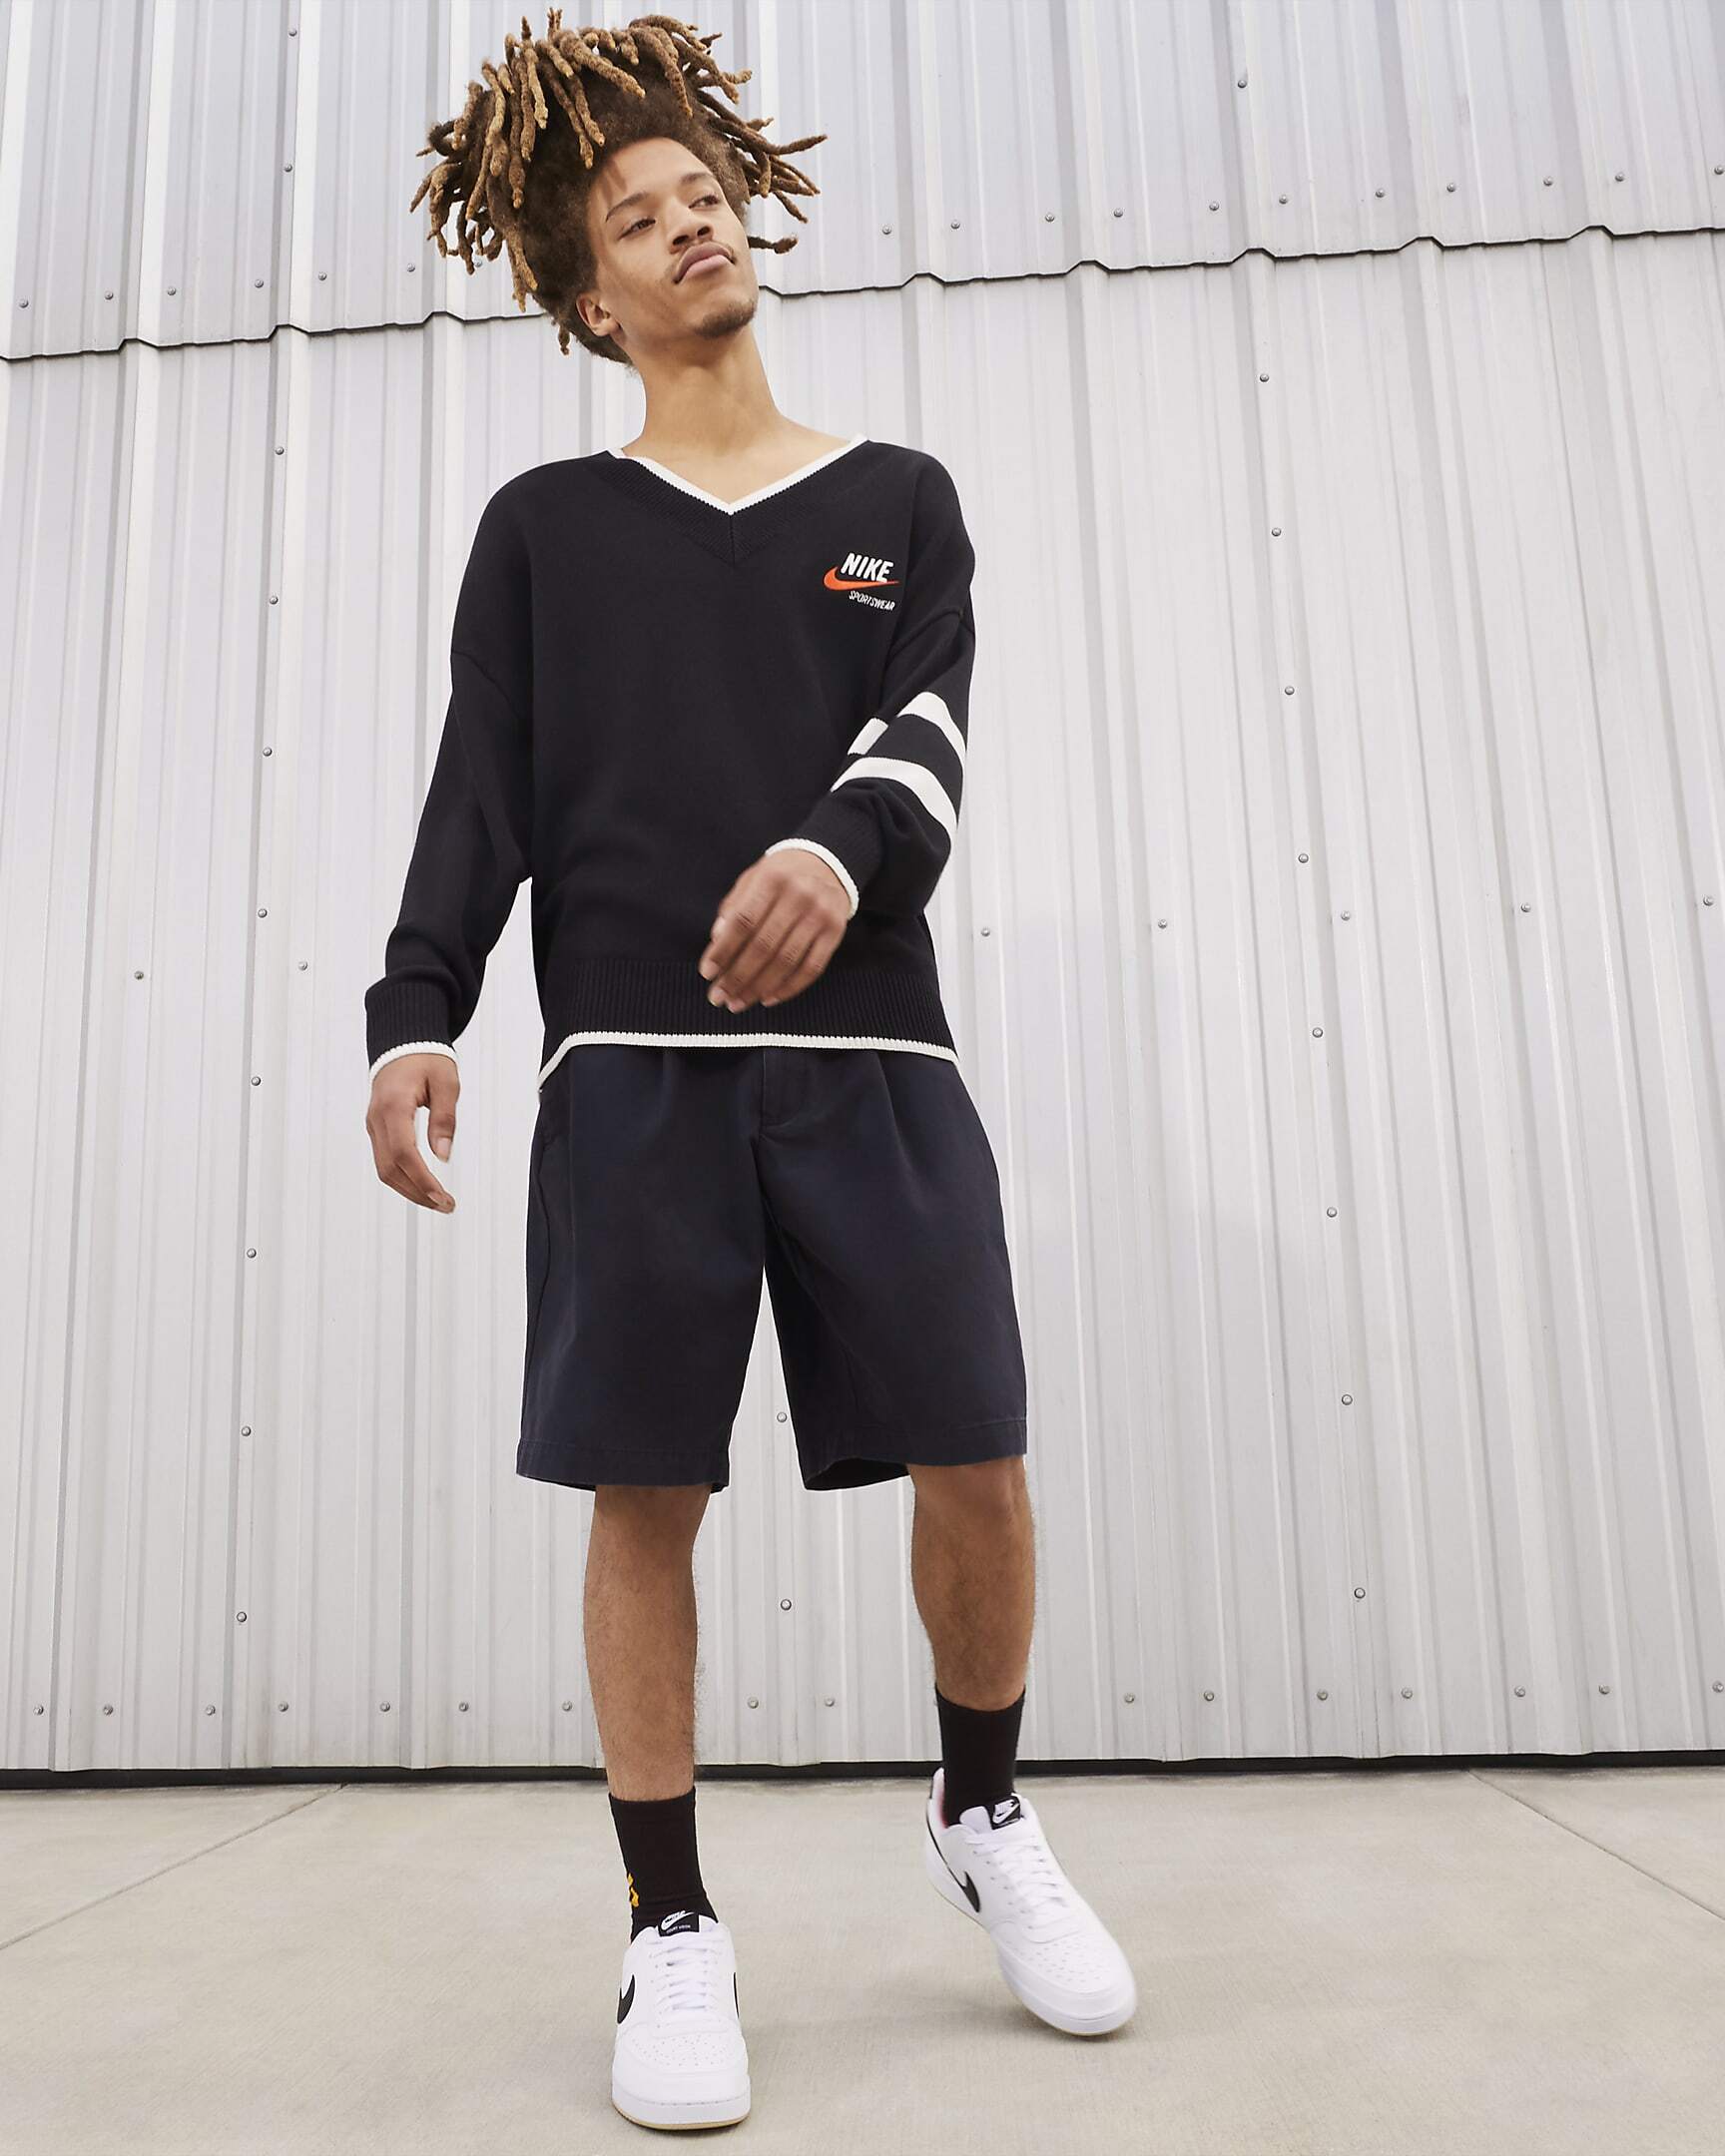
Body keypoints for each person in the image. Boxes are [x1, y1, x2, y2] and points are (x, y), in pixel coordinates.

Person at [362, 10, 1134, 2131]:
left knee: (979, 1452)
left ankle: (984, 1810)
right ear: (584, 295)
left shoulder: (897, 500)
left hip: (874, 1053)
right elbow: (480, 790)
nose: (689, 222)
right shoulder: (544, 525)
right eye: (637, 217)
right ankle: (670, 1925)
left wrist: (836, 847)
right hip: (631, 1069)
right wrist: (417, 1007)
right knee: (649, 1489)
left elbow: (932, 735)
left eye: (702, 193)